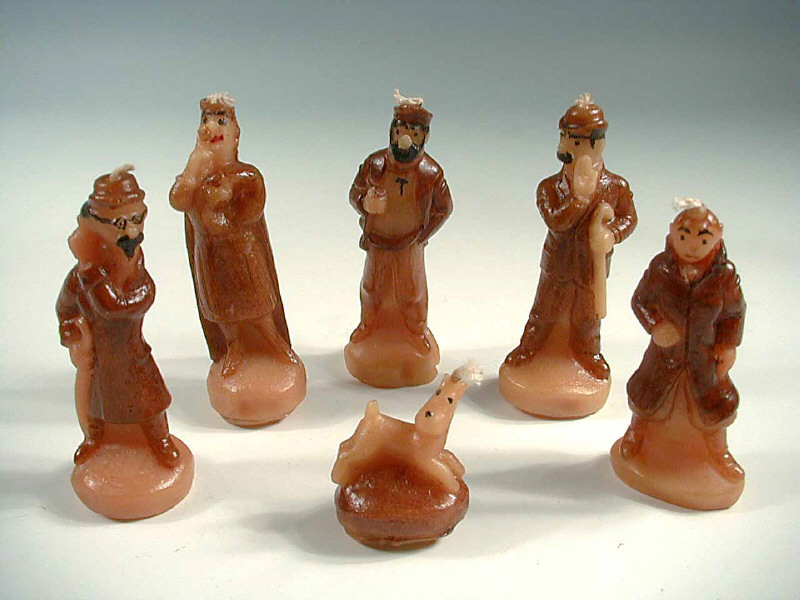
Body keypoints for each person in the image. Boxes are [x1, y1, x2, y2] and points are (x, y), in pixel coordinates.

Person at [505, 94, 637, 380]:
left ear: (597, 144)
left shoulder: (615, 186)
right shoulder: (549, 188)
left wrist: (612, 234)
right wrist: (578, 199)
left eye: (575, 141)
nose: (566, 147)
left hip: (591, 265)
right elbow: (556, 221)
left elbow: (629, 218)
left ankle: (589, 353)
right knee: (544, 308)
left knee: (587, 314)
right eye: (564, 137)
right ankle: (529, 347)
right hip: (558, 262)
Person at [57, 165, 179, 468]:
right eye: (120, 223)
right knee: (96, 403)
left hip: (132, 351)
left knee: (150, 401)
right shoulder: (83, 274)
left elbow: (120, 305)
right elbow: (66, 305)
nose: (132, 232)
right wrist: (69, 328)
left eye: (137, 219)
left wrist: (92, 275)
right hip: (101, 355)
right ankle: (93, 439)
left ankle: (160, 440)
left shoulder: (131, 267)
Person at [170, 92, 298, 377]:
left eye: (220, 121)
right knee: (221, 306)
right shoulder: (197, 176)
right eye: (206, 120)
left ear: (235, 133)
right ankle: (234, 348)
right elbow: (177, 200)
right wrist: (195, 165)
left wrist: (223, 203)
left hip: (243, 252)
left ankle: (275, 342)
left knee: (258, 302)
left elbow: (250, 213)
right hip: (210, 255)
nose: (211, 128)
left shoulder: (247, 176)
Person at [618, 199, 745, 480]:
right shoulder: (660, 269)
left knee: (714, 406)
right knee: (647, 396)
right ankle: (636, 435)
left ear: (718, 236)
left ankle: (719, 452)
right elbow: (640, 301)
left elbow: (734, 313)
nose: (692, 246)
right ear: (672, 232)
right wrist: (655, 326)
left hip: (704, 354)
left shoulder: (724, 277)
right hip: (665, 353)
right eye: (684, 236)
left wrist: (727, 345)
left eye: (704, 239)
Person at [348, 90, 453, 352]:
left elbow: (444, 207)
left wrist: (422, 235)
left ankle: (416, 330)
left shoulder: (430, 173)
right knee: (372, 287)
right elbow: (355, 192)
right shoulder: (375, 163)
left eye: (414, 133)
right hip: (378, 241)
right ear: (392, 131)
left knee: (412, 292)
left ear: (424, 137)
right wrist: (365, 204)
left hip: (408, 243)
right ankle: (367, 325)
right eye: (400, 130)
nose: (405, 138)